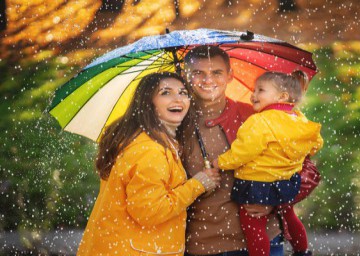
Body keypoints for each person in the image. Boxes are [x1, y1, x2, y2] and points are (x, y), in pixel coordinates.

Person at [179, 46, 321, 256]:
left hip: (265, 238)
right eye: (198, 73)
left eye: (216, 72)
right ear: (185, 76)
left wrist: (275, 200)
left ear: (230, 76)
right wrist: (196, 184)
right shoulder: (174, 123)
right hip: (203, 245)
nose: (208, 80)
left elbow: (307, 169)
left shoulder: (259, 116)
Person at [77, 72, 220, 255]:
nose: (178, 99)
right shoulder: (150, 151)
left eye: (183, 93)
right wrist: (197, 185)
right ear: (148, 102)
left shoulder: (151, 141)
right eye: (166, 93)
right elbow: (150, 211)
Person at [212, 71, 323, 256]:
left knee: (253, 226)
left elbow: (243, 152)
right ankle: (302, 251)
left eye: (260, 90)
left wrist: (221, 162)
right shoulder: (299, 118)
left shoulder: (259, 121)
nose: (253, 95)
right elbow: (316, 143)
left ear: (282, 96)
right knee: (290, 216)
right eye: (254, 90)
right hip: (287, 181)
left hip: (257, 183)